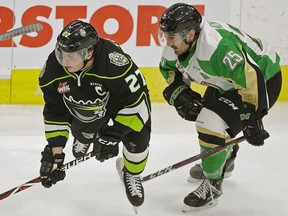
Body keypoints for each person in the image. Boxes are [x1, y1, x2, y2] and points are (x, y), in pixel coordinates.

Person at [158, 3, 282, 211]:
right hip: (226, 82)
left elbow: (250, 76)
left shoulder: (217, 48)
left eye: (172, 37)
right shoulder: (177, 45)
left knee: (209, 123)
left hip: (262, 78)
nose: (168, 42)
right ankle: (225, 156)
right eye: (166, 35)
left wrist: (252, 117)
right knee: (213, 125)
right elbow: (169, 70)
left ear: (190, 33)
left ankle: (213, 185)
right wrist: (178, 92)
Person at [38, 20, 151, 210]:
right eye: (62, 53)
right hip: (86, 104)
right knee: (83, 130)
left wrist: (114, 134)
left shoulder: (115, 63)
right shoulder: (52, 70)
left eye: (71, 56)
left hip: (120, 103)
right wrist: (55, 154)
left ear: (88, 53)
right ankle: (83, 136)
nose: (64, 61)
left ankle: (131, 173)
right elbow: (55, 111)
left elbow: (138, 102)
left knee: (137, 142)